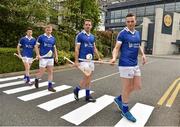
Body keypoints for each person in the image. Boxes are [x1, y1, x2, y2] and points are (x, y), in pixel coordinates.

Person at [110, 13, 147, 122]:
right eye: (128, 21)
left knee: (137, 86)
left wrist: (143, 55)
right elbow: (116, 48)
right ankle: (125, 110)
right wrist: (113, 58)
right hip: (125, 64)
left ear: (135, 21)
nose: (130, 23)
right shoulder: (122, 34)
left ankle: (119, 99)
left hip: (135, 64)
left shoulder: (137, 33)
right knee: (127, 88)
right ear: (126, 22)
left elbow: (138, 45)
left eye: (132, 21)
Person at [73, 19, 101, 102]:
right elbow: (77, 49)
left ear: (91, 26)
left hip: (91, 60)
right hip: (83, 60)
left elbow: (94, 48)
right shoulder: (80, 35)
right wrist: (76, 60)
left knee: (88, 78)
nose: (88, 26)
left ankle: (86, 95)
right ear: (84, 26)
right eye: (86, 24)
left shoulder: (92, 37)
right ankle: (78, 90)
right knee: (88, 76)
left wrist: (98, 57)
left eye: (89, 24)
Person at [34, 25, 58, 92]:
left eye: (50, 30)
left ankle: (50, 86)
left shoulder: (53, 38)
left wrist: (56, 56)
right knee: (41, 72)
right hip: (43, 58)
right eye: (47, 30)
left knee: (50, 72)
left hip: (50, 58)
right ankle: (37, 78)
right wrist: (38, 55)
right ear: (45, 30)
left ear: (51, 30)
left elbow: (54, 48)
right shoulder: (41, 37)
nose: (49, 31)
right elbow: (36, 46)